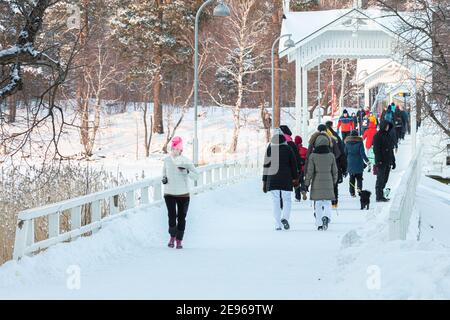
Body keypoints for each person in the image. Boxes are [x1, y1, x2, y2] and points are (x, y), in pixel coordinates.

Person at [162, 136, 199, 249]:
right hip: (169, 193)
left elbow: (196, 176)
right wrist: (164, 178)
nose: (175, 151)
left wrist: (187, 171)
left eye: (177, 149)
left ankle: (179, 240)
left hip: (183, 194)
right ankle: (172, 237)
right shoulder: (167, 160)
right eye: (173, 149)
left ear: (181, 150)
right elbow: (164, 172)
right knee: (171, 216)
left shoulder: (185, 161)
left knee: (181, 218)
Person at [263, 130, 299, 230]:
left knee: (275, 201)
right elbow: (293, 165)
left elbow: (266, 165)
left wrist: (264, 181)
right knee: (287, 199)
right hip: (286, 178)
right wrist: (295, 179)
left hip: (272, 177)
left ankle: (277, 224)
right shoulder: (288, 148)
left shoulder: (270, 148)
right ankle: (285, 218)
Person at [304, 134, 338, 231]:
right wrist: (334, 181)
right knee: (327, 202)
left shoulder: (313, 156)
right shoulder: (331, 156)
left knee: (318, 203)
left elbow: (310, 171)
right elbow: (335, 171)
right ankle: (326, 217)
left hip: (316, 181)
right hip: (328, 181)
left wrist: (306, 183)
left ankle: (319, 223)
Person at [325, 121, 348, 209]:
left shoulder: (318, 138)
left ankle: (325, 202)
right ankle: (334, 202)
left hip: (323, 166)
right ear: (331, 126)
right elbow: (342, 153)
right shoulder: (336, 138)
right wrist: (344, 168)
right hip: (336, 164)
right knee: (334, 184)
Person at [373, 121, 396, 202]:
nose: (387, 127)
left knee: (385, 179)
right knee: (380, 179)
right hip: (381, 162)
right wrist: (379, 161)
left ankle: (381, 194)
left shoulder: (388, 135)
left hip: (388, 161)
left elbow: (391, 149)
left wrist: (393, 161)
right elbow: (376, 150)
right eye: (386, 126)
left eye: (388, 126)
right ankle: (378, 196)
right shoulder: (377, 136)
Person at [344, 130, 369, 197]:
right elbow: (362, 153)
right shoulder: (360, 142)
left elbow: (345, 154)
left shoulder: (347, 143)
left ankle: (352, 192)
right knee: (359, 178)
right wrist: (367, 161)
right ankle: (359, 189)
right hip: (359, 163)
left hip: (350, 163)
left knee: (351, 178)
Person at [294, 135, 308, 201]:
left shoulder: (293, 149)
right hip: (303, 168)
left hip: (296, 169)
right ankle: (303, 190)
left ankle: (297, 197)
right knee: (302, 180)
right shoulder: (305, 150)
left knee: (296, 182)